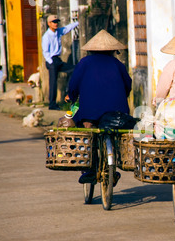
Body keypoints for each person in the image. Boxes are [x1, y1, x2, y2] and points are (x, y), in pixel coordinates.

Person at [64, 29, 131, 184]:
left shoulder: (84, 63)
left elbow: (73, 85)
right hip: (117, 111)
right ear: (113, 50)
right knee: (116, 134)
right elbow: (128, 85)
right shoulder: (117, 64)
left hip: (90, 111)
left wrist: (72, 96)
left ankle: (90, 168)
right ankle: (114, 164)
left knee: (88, 133)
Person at [42, 14, 79, 110]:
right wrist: (51, 63)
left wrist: (78, 22)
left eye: (57, 22)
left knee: (74, 69)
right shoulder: (46, 36)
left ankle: (68, 91)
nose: (56, 24)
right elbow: (45, 52)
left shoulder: (58, 32)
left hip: (58, 59)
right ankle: (52, 104)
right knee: (53, 83)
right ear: (49, 23)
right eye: (54, 22)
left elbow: (67, 28)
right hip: (51, 60)